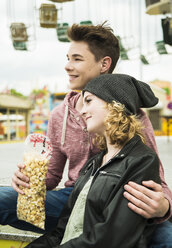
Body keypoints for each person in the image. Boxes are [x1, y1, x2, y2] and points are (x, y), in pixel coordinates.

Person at [0, 23, 171, 246]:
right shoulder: (59, 114)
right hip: (72, 199)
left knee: (167, 239)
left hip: (121, 203)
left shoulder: (132, 114)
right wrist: (27, 180)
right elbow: (51, 177)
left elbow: (155, 177)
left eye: (77, 59)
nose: (67, 66)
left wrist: (164, 205)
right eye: (67, 58)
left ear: (104, 64)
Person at [25, 73, 161, 248]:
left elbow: (111, 238)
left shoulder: (141, 161)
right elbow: (62, 231)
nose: (82, 110)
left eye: (88, 101)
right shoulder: (93, 163)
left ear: (115, 105)